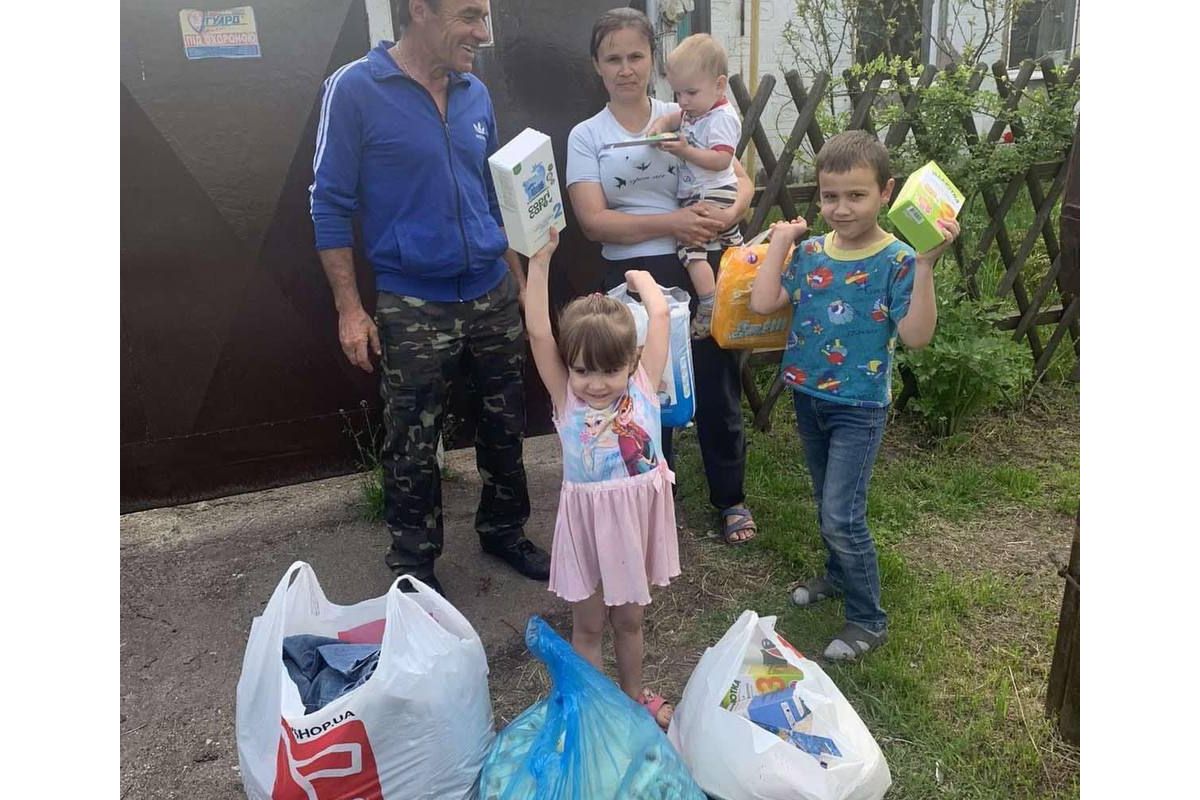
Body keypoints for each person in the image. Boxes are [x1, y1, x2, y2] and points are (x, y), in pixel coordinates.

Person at [308, 0, 550, 595]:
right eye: (470, 16)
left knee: (504, 426)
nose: (482, 32)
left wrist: (518, 283)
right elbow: (328, 204)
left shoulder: (475, 92)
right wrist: (349, 308)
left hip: (490, 290)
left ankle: (503, 528)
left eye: (486, 17)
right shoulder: (354, 89)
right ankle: (414, 566)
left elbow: (495, 197)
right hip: (412, 302)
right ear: (420, 9)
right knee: (412, 441)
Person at [749, 130, 960, 660]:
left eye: (856, 195)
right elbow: (764, 300)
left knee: (842, 515)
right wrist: (779, 243)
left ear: (886, 192)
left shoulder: (899, 260)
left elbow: (915, 336)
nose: (841, 208)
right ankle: (838, 577)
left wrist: (928, 264)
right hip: (808, 397)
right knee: (826, 503)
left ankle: (868, 619)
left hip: (860, 407)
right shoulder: (813, 252)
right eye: (829, 196)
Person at [566, 7, 759, 545]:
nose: (625, 68)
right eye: (613, 59)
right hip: (630, 274)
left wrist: (733, 211)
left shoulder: (689, 110)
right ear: (597, 67)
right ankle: (657, 497)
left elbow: (740, 177)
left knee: (717, 380)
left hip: (700, 260)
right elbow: (592, 219)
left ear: (652, 59)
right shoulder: (588, 136)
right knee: (645, 390)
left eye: (635, 56)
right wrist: (673, 220)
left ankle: (731, 499)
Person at [525, 227, 679, 730]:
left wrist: (640, 278)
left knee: (630, 621)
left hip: (633, 527)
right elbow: (539, 333)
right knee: (588, 625)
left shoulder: (644, 383)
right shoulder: (566, 399)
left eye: (607, 371)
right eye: (582, 371)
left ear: (631, 361)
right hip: (589, 529)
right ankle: (594, 711)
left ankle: (633, 697)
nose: (594, 384)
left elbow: (658, 314)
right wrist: (541, 260)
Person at [646, 33, 744, 338]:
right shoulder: (697, 109)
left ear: (719, 85)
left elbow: (722, 161)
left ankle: (709, 302)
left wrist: (685, 150)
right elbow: (677, 116)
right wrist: (662, 125)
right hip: (713, 192)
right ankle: (742, 290)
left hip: (712, 190)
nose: (683, 102)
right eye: (678, 93)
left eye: (690, 92)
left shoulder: (723, 118)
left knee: (690, 249)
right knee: (732, 243)